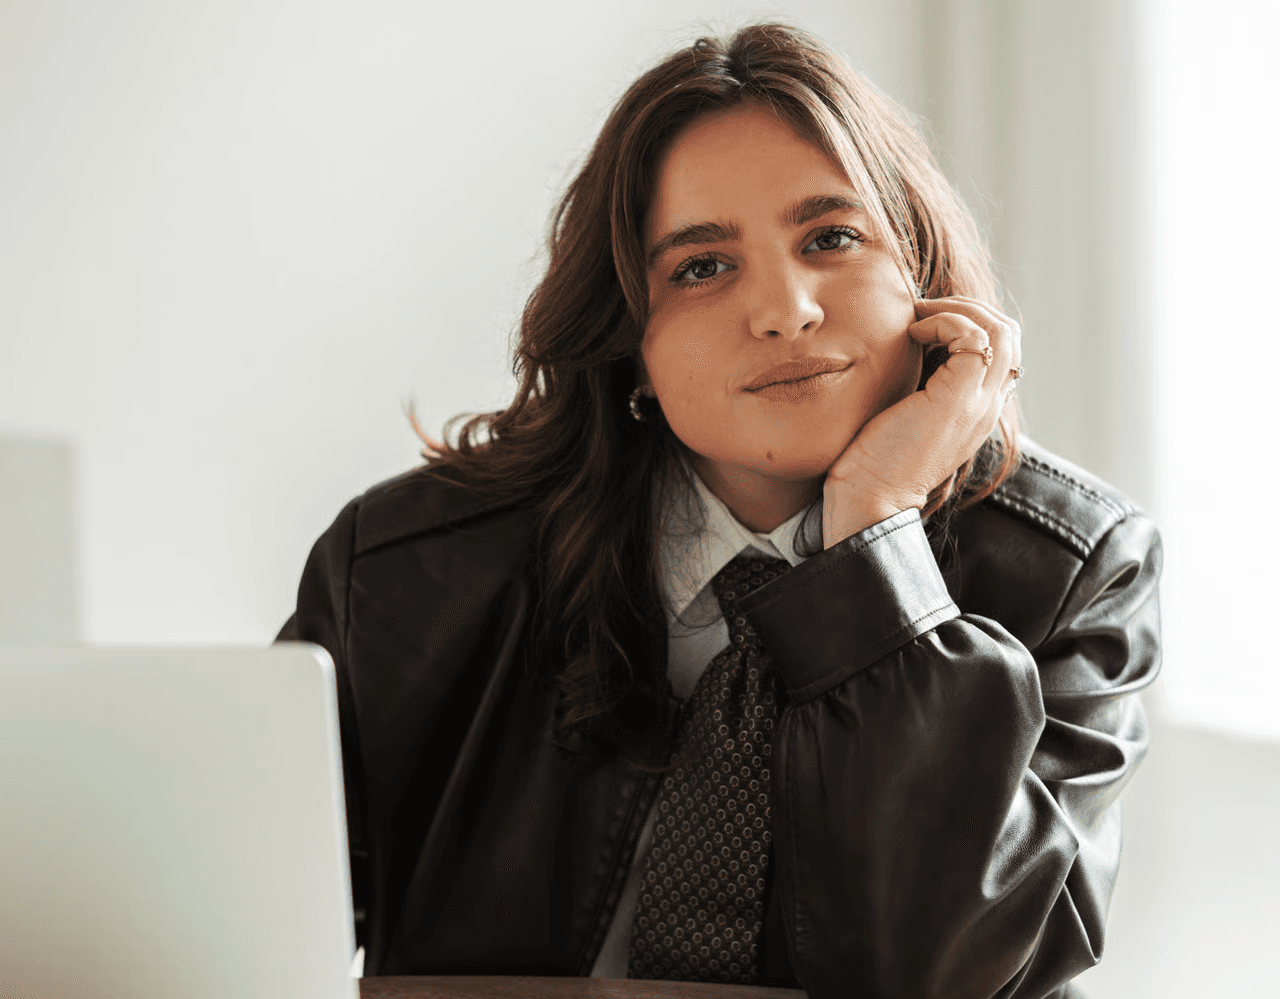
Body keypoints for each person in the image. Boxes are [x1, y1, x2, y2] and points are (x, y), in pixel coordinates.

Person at [277, 21, 1161, 999]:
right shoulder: (403, 571)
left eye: (830, 238)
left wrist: (871, 540)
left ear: (921, 278)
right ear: (629, 347)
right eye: (700, 266)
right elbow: (238, 919)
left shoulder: (1072, 567)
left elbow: (974, 972)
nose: (783, 310)